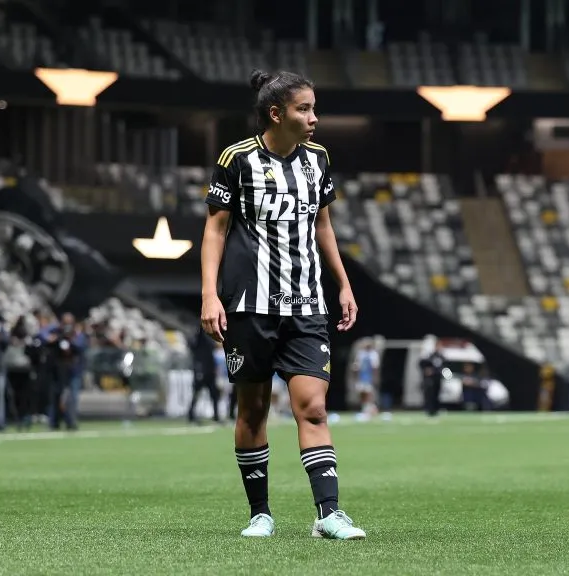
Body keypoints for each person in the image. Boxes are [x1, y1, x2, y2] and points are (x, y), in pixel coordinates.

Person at [199, 68, 365, 540]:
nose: (314, 118)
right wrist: (211, 295)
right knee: (251, 410)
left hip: (306, 303)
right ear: (277, 113)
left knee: (312, 407)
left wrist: (344, 285)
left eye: (314, 108)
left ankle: (329, 514)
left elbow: (323, 226)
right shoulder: (236, 159)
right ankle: (260, 514)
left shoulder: (319, 159)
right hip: (250, 305)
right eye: (304, 109)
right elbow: (214, 230)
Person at [188, 325, 221, 425]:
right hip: (201, 369)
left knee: (214, 394)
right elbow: (192, 345)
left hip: (209, 370)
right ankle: (191, 415)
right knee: (197, 393)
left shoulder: (208, 339)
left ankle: (216, 415)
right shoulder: (199, 339)